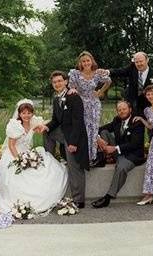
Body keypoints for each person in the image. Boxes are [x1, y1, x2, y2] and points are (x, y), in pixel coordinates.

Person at [0, 99, 68, 214]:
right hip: (14, 154)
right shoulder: (15, 125)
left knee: (46, 164)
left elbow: (48, 123)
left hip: (28, 152)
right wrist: (19, 159)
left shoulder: (34, 122)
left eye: (29, 113)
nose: (26, 115)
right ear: (19, 114)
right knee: (20, 176)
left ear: (32, 113)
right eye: (23, 113)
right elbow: (11, 146)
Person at [37, 71, 89, 209]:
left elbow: (78, 122)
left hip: (74, 136)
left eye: (60, 81)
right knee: (47, 133)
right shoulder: (56, 99)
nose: (57, 84)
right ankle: (50, 159)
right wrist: (46, 127)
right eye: (54, 82)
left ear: (66, 81)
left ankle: (79, 199)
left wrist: (73, 143)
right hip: (64, 133)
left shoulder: (74, 97)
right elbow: (55, 120)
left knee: (74, 167)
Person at [91, 101, 145, 208]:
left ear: (130, 109)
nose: (121, 111)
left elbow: (135, 144)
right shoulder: (117, 120)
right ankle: (101, 158)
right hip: (118, 152)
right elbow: (101, 129)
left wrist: (115, 148)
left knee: (121, 168)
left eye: (124, 109)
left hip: (132, 155)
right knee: (104, 133)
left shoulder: (137, 122)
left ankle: (108, 197)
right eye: (119, 110)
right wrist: (98, 139)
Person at [68, 51, 111, 165]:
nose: (86, 63)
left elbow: (108, 81)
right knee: (85, 129)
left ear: (92, 61)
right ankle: (84, 155)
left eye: (88, 60)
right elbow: (72, 87)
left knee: (94, 129)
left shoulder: (97, 73)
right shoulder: (75, 74)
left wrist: (100, 92)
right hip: (81, 104)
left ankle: (93, 157)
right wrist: (74, 91)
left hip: (94, 104)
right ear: (80, 63)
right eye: (83, 61)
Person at [106, 51, 153, 116]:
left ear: (147, 60)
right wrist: (108, 72)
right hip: (131, 104)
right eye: (136, 62)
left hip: (147, 107)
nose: (139, 64)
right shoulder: (132, 68)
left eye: (141, 61)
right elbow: (120, 71)